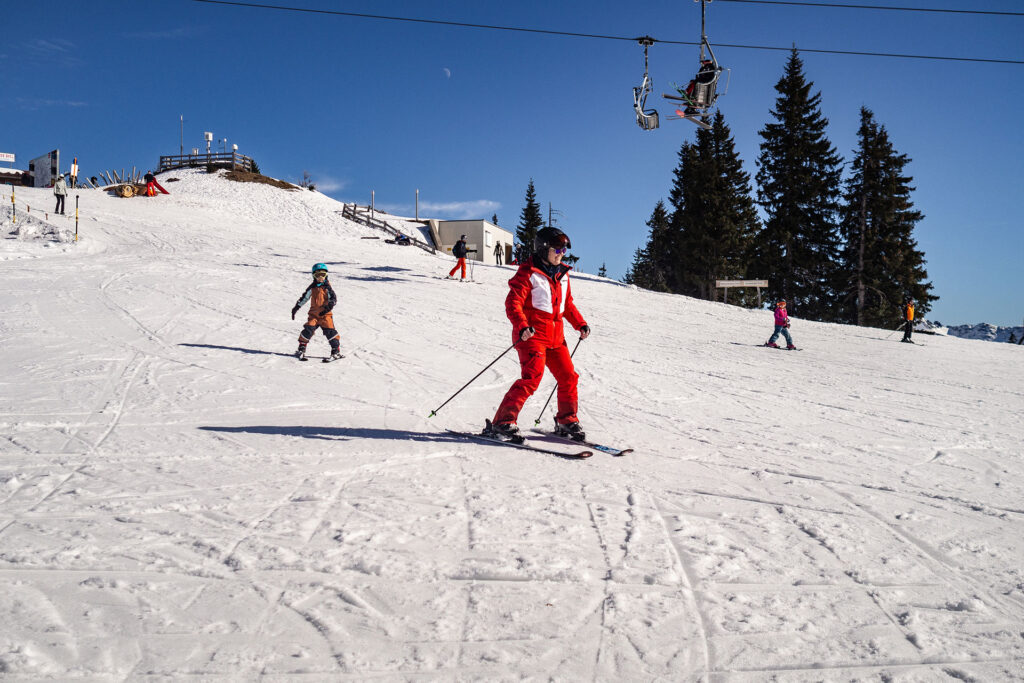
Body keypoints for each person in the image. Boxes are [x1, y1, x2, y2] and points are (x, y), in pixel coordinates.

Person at [487, 226, 591, 441]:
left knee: (568, 377)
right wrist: (522, 326)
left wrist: (580, 324)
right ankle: (503, 422)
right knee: (532, 378)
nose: (561, 254)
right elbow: (513, 303)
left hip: (556, 338)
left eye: (564, 250)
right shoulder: (528, 273)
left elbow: (567, 305)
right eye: (557, 250)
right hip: (531, 336)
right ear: (543, 249)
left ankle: (567, 420)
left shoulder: (563, 274)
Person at [291, 263, 341, 361]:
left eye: (323, 275)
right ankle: (301, 348)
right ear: (313, 276)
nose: (320, 277)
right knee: (308, 330)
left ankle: (336, 351)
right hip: (314, 315)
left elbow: (333, 299)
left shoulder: (327, 287)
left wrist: (328, 308)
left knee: (330, 332)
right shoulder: (312, 287)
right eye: (318, 275)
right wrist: (296, 307)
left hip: (325, 315)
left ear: (326, 275)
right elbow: (304, 298)